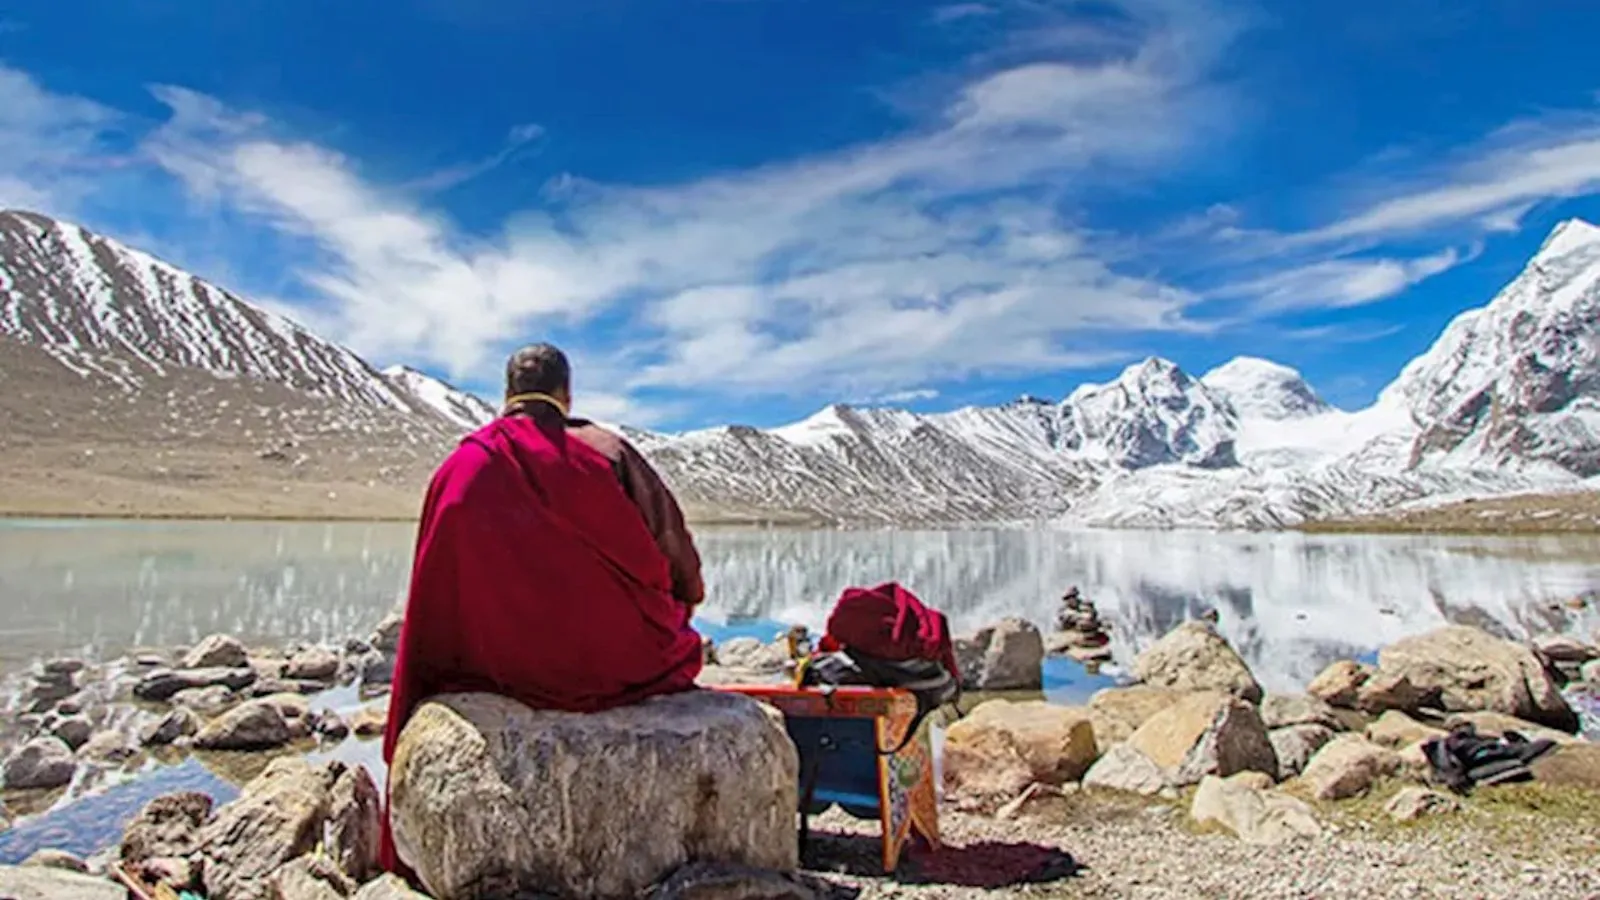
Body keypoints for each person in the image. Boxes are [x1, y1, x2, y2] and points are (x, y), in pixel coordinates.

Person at [379, 342, 706, 875]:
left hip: (486, 667)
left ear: (507, 395)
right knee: (675, 636)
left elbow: (433, 594)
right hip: (610, 659)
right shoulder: (605, 451)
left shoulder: (462, 465)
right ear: (566, 394)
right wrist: (683, 600)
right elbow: (673, 552)